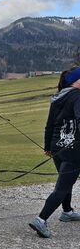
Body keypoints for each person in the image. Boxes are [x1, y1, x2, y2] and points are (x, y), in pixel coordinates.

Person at [29, 67, 80, 237]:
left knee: (66, 180)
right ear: (77, 80)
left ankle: (67, 211)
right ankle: (41, 220)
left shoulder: (58, 97)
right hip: (73, 149)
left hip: (57, 147)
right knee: (63, 186)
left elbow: (50, 125)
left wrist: (47, 147)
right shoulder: (77, 95)